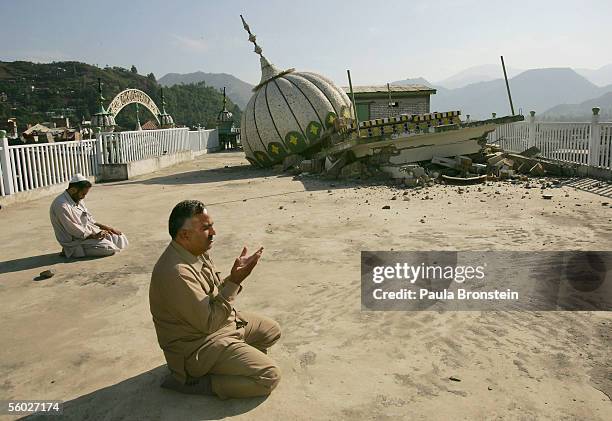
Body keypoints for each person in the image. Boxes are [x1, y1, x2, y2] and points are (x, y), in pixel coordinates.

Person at [149, 200, 281, 399]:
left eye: (211, 226)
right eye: (206, 228)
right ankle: (197, 383)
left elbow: (216, 293)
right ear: (185, 235)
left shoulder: (197, 252)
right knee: (268, 377)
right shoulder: (175, 273)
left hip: (218, 326)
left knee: (272, 331)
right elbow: (209, 322)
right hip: (197, 346)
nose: (213, 233)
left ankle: (230, 359)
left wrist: (232, 277)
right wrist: (235, 282)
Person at [49, 173, 128, 258]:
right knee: (109, 248)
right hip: (75, 240)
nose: (84, 197)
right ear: (73, 190)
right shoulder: (61, 205)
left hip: (88, 232)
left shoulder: (77, 198)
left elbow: (89, 219)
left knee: (119, 238)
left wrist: (107, 228)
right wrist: (94, 236)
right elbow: (73, 229)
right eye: (83, 194)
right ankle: (70, 251)